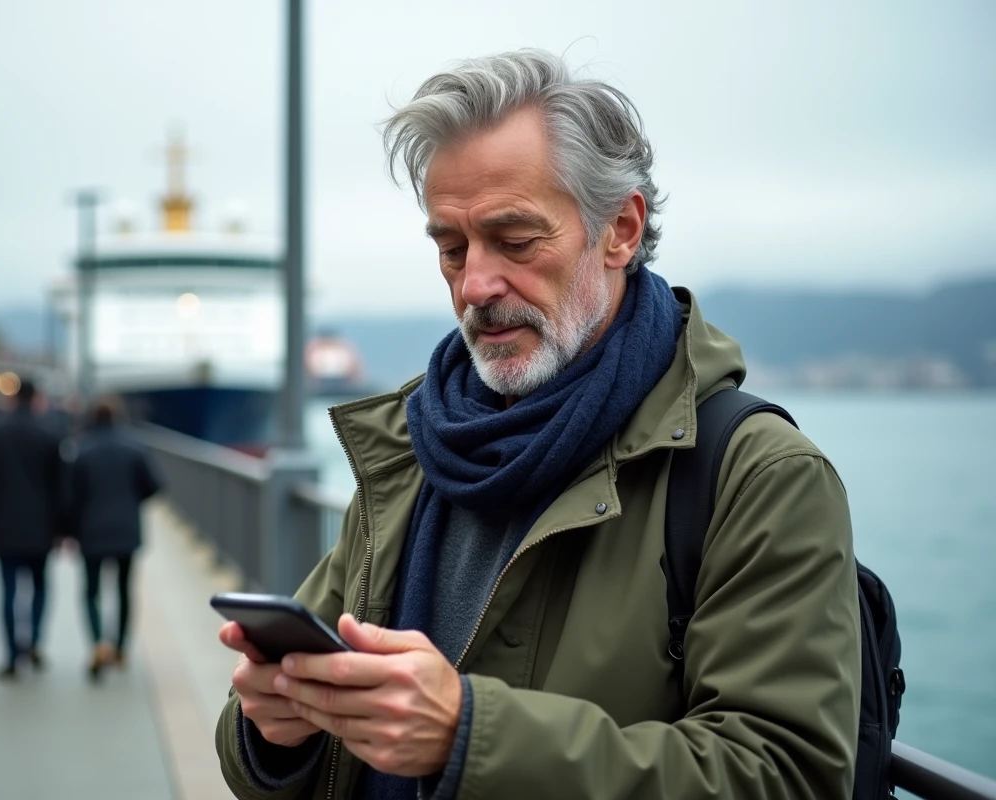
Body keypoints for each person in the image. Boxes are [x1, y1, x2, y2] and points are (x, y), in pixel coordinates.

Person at [214, 50, 861, 800]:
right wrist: (273, 727)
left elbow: (788, 775)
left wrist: (469, 738)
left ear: (619, 229)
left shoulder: (758, 476)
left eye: (515, 241)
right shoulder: (416, 448)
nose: (476, 286)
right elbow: (276, 752)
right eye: (451, 249)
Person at [0, 379, 64, 681]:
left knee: (7, 591)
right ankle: (32, 640)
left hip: (3, 525)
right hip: (41, 526)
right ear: (37, 399)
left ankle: (11, 655)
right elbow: (60, 487)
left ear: (12, 398)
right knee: (40, 587)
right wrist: (62, 528)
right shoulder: (50, 434)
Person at [66, 397, 161, 681]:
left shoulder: (81, 450)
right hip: (126, 530)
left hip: (91, 531)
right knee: (123, 590)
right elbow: (155, 487)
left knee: (91, 590)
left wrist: (69, 530)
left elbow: (69, 497)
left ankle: (98, 644)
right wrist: (131, 503)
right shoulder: (134, 447)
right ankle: (120, 648)